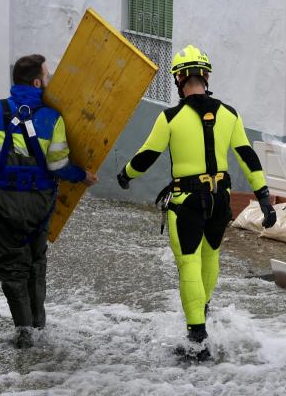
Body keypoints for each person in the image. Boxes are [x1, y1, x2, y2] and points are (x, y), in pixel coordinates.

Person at [116, 44, 277, 359]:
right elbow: (248, 157)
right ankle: (201, 311)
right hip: (220, 200)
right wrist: (264, 199)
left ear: (178, 80)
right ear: (206, 76)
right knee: (210, 255)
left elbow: (147, 155)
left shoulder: (171, 118)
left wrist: (125, 175)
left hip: (187, 201)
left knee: (188, 263)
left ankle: (197, 339)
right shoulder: (229, 114)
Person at [0, 54, 98, 349]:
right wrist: (83, 176)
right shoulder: (53, 119)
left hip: (3, 203)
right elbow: (58, 166)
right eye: (48, 77)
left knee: (10, 267)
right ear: (38, 82)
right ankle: (39, 325)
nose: (50, 82)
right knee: (36, 261)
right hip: (40, 206)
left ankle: (23, 330)